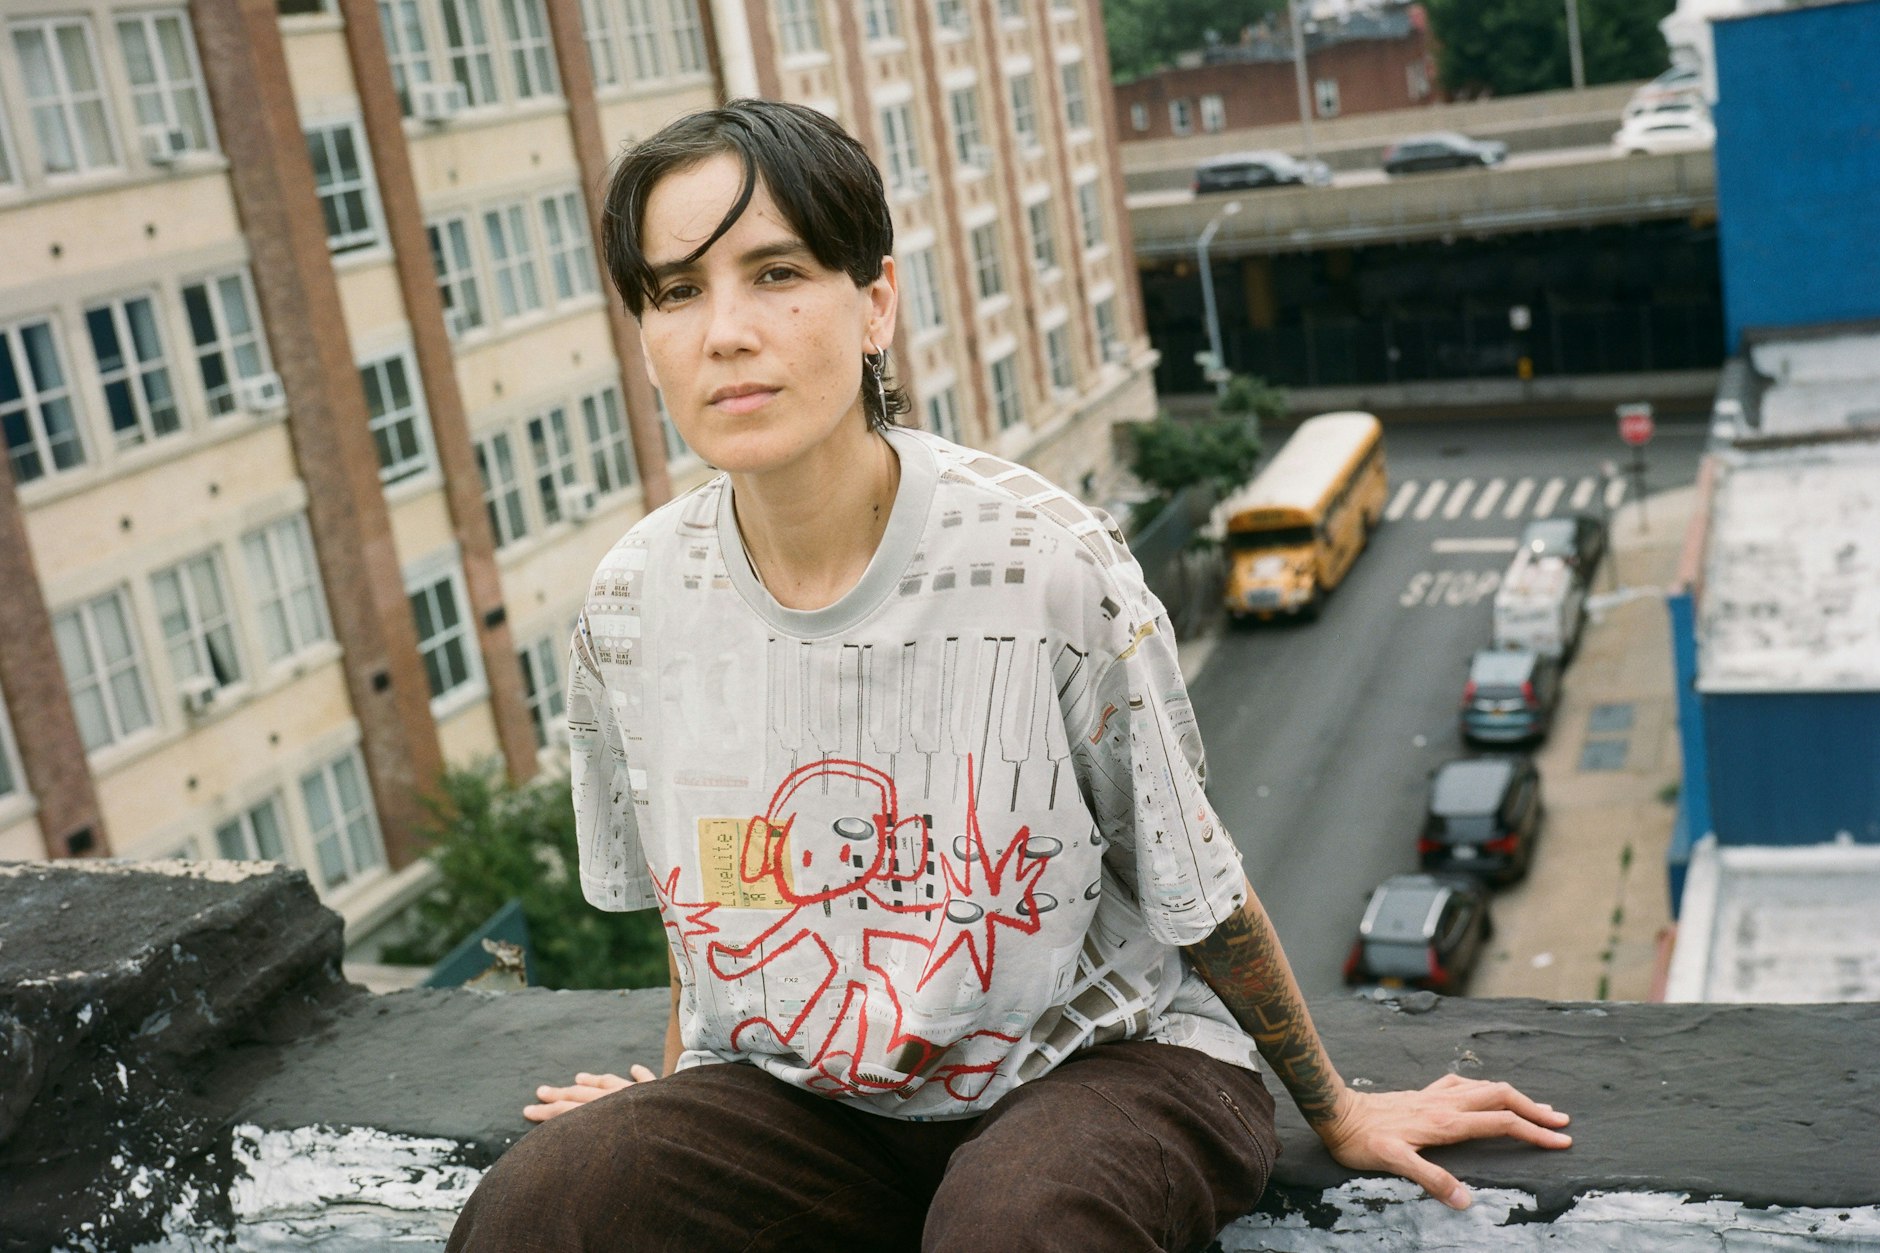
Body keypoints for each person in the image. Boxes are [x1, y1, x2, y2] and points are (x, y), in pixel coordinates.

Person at [446, 99, 1570, 1253]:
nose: (723, 330)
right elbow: (702, 915)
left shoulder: (1040, 561)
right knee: (548, 1202)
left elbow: (1198, 880)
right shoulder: (635, 598)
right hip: (823, 1101)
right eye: (675, 290)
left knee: (1018, 1224)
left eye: (774, 271)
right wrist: (670, 1104)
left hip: (1105, 1064)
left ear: (874, 300)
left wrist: (1332, 1105)